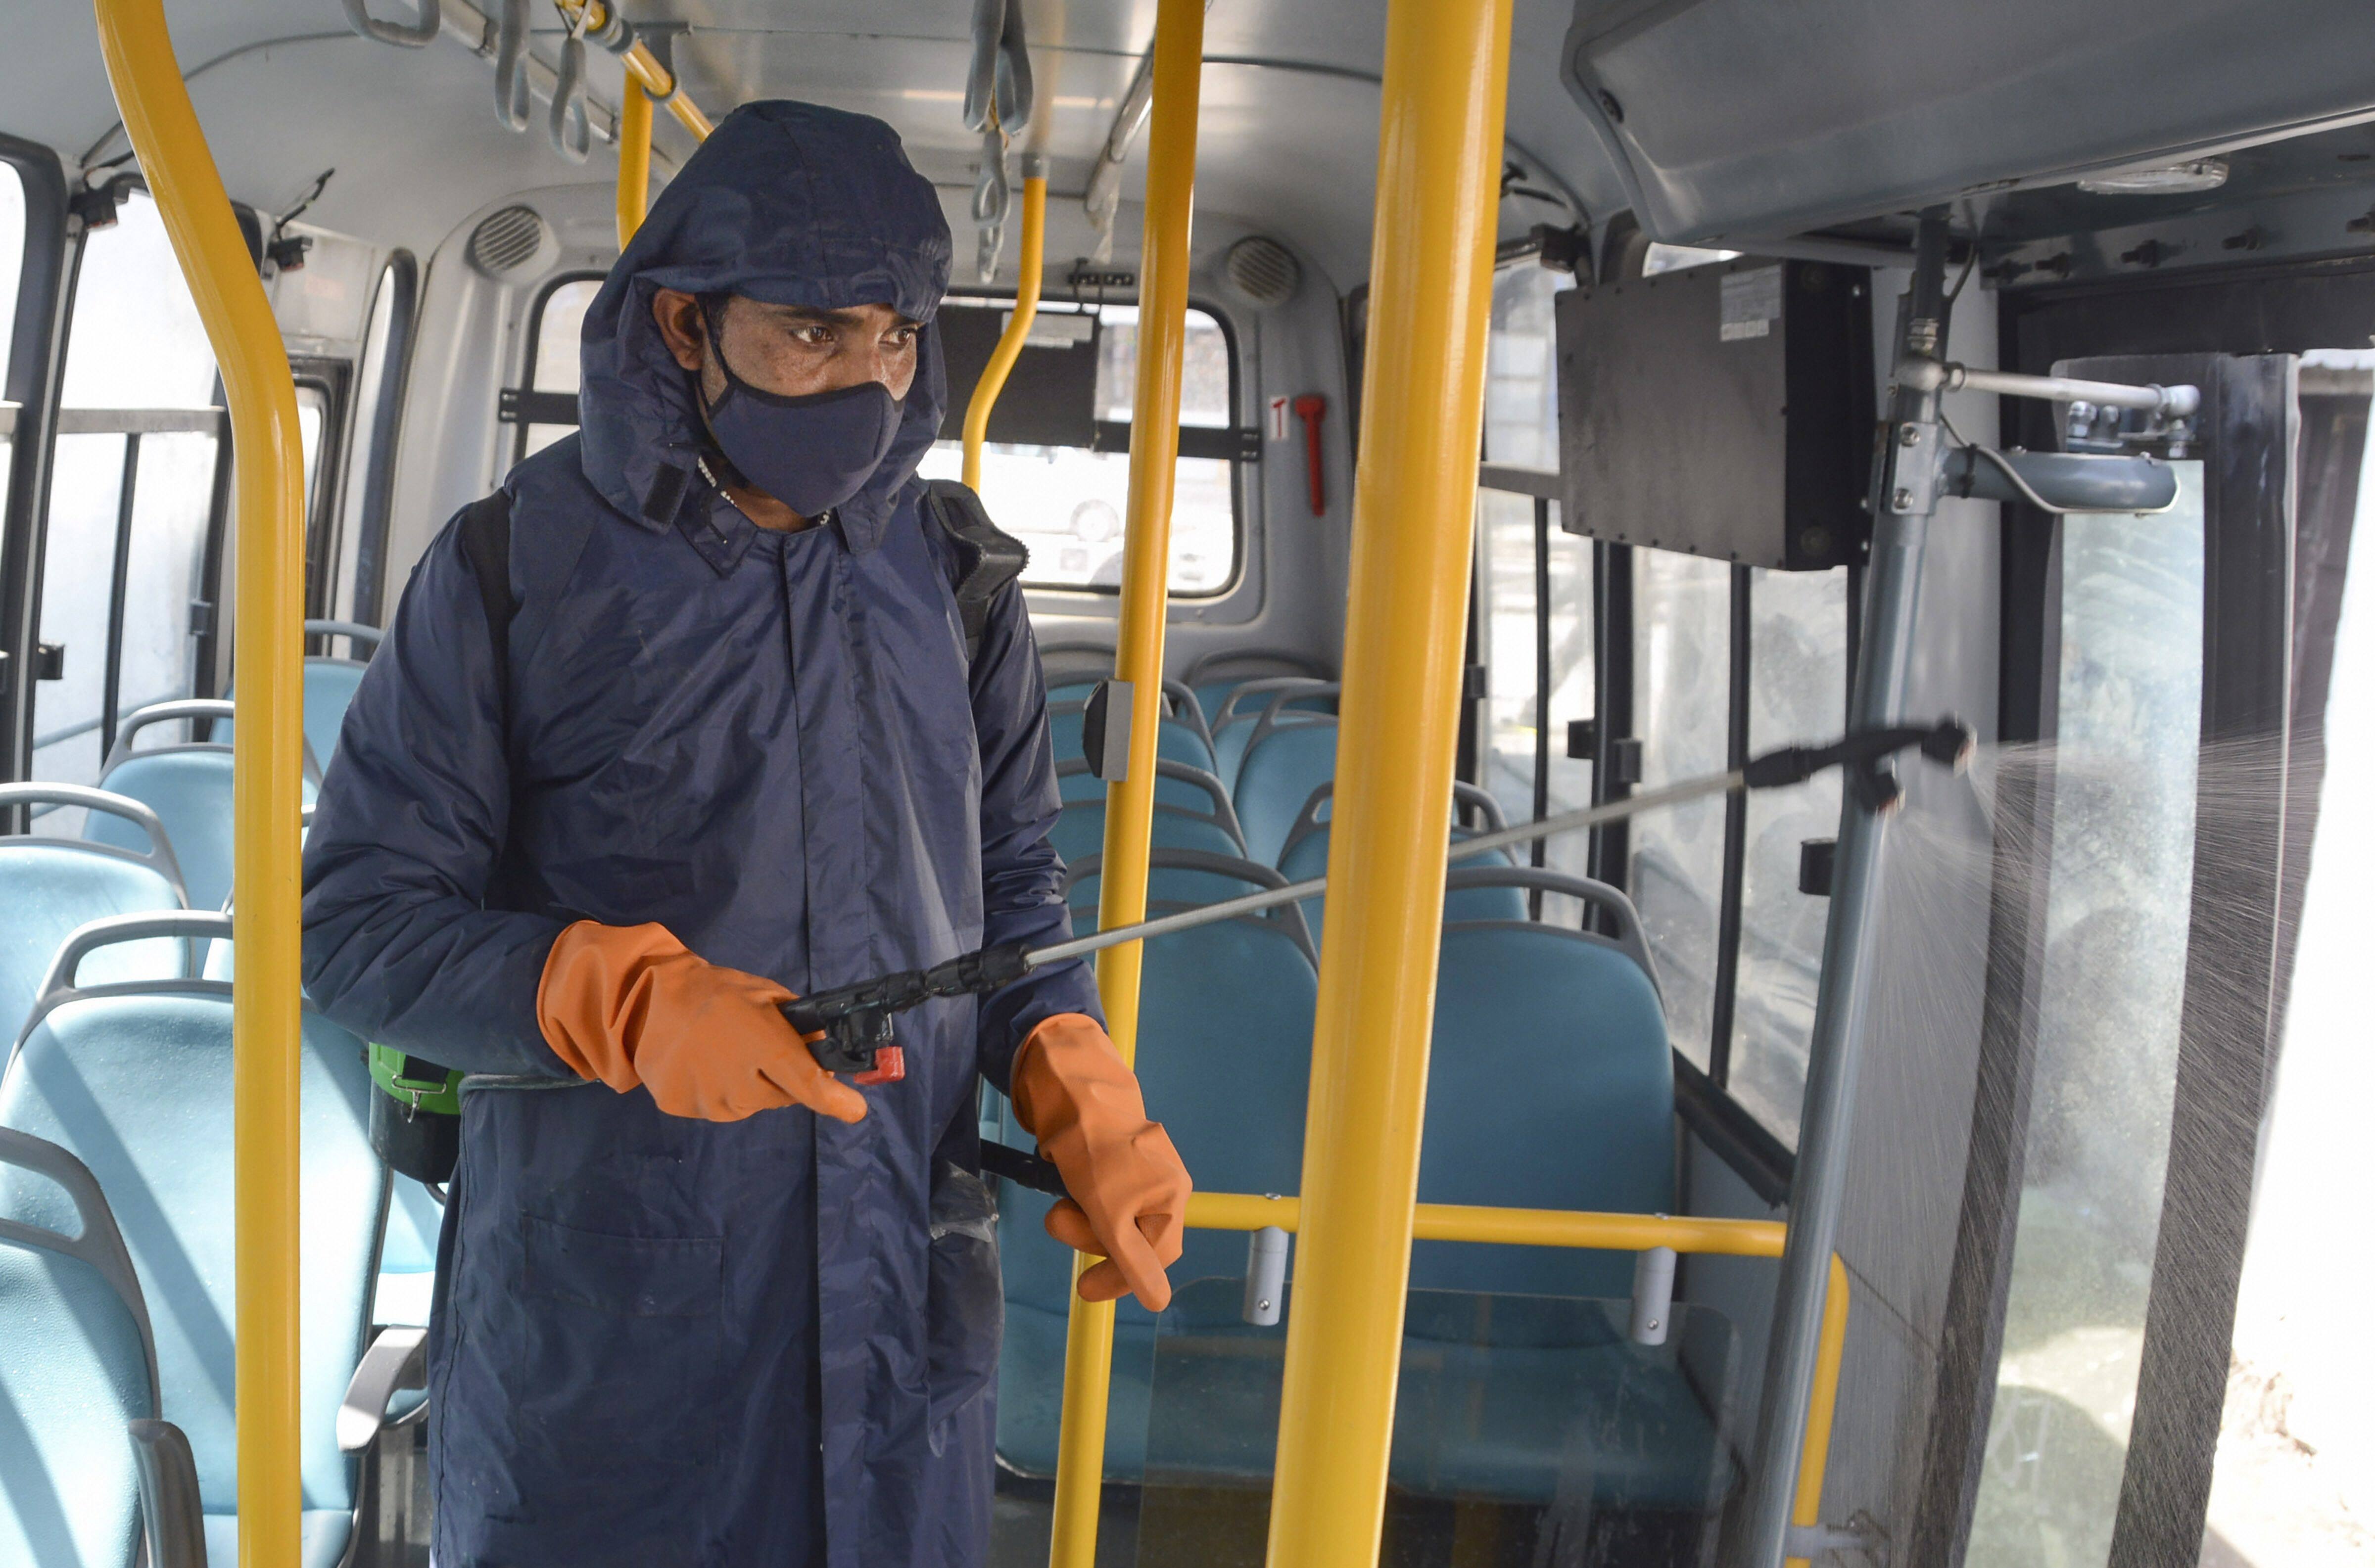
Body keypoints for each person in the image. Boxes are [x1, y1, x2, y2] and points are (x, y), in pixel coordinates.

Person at [302, 100, 1190, 1568]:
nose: (863, 379)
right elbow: (359, 926)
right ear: (683, 326)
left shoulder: (957, 580)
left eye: (895, 340)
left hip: (894, 1308)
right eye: (810, 337)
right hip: (614, 1346)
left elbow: (1014, 892)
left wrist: (1065, 1067)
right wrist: (625, 1003)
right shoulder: (510, 569)